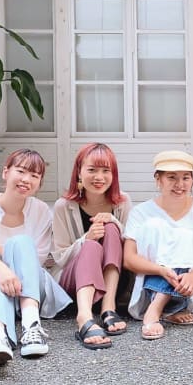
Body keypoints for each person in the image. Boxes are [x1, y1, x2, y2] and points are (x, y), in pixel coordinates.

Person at [123, 150, 193, 340]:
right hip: (150, 280)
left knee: (185, 236)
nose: (180, 184)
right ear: (158, 180)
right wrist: (161, 270)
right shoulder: (141, 212)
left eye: (186, 178)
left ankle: (156, 309)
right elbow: (129, 259)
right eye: (172, 177)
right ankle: (165, 305)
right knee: (155, 226)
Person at [0, 149, 71, 366]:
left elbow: (35, 260)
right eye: (21, 171)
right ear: (5, 172)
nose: (26, 179)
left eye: (34, 176)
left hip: (31, 287)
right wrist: (1, 269)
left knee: (21, 242)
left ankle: (31, 326)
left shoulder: (41, 210)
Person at [51, 143, 132, 350]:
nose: (99, 177)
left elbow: (131, 248)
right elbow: (60, 257)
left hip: (113, 282)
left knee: (111, 228)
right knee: (91, 246)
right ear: (79, 172)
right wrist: (86, 238)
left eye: (106, 171)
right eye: (92, 170)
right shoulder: (63, 206)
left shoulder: (122, 202)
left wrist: (115, 222)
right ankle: (84, 317)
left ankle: (108, 308)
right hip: (75, 285)